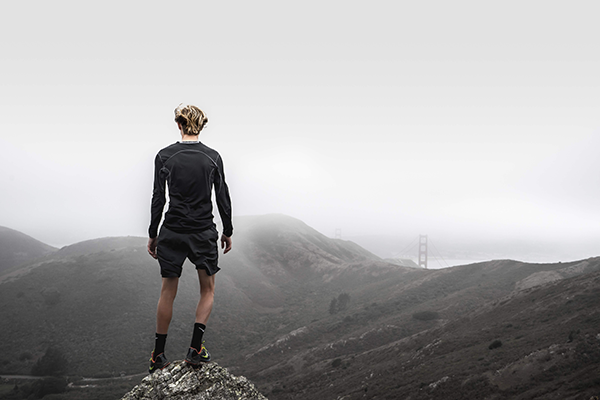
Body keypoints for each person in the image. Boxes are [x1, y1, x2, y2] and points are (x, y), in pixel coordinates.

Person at [147, 104, 233, 373]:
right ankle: (195, 349)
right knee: (207, 289)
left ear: (179, 125)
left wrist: (153, 234)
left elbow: (158, 198)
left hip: (172, 230)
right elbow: (222, 196)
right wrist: (227, 230)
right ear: (202, 126)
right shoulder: (213, 157)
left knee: (167, 291)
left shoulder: (164, 156)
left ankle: (158, 355)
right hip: (202, 232)